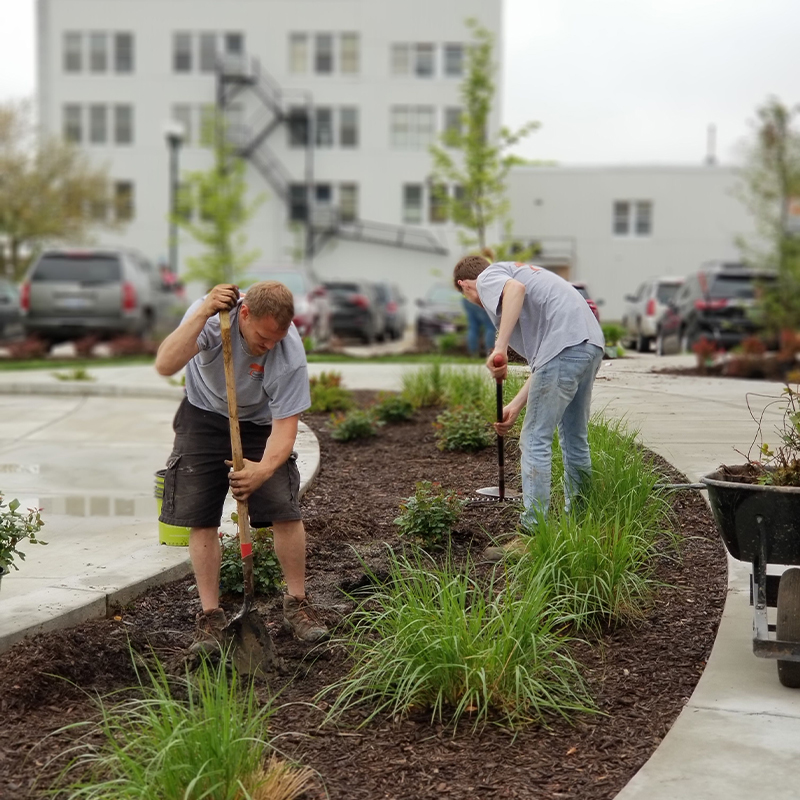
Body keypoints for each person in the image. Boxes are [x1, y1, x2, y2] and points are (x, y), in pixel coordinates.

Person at [155, 281, 328, 652]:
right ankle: (210, 616)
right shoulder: (212, 316)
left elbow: (284, 432)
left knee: (284, 508)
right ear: (244, 314)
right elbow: (165, 363)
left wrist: (262, 470)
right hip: (202, 413)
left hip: (261, 421)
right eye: (263, 338)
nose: (269, 346)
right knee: (201, 516)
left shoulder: (288, 354)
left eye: (276, 340)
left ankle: (296, 604)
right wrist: (202, 313)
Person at [453, 255, 605, 560]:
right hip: (588, 344)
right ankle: (582, 522)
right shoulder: (518, 271)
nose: (478, 301)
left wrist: (499, 348)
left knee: (534, 439)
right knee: (574, 438)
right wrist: (515, 405)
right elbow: (546, 363)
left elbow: (515, 290)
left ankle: (532, 536)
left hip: (566, 346)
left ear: (464, 286)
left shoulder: (488, 277)